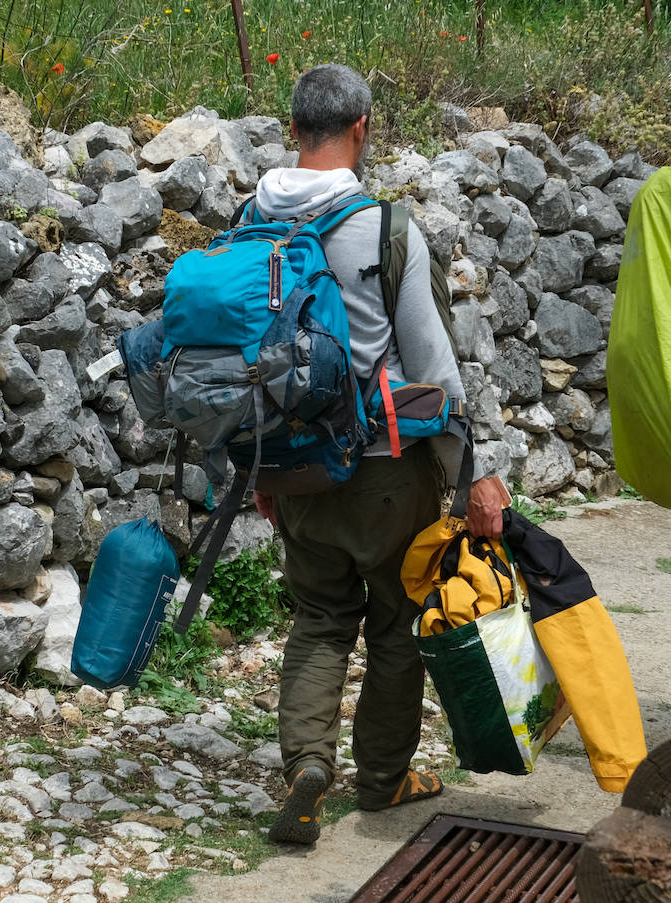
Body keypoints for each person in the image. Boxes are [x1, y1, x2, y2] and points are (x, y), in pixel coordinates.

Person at [248, 63, 507, 844]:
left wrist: (260, 470)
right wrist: (468, 470)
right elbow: (433, 368)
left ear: (294, 130)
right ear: (362, 128)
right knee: (395, 621)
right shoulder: (388, 230)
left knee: (321, 616)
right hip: (384, 469)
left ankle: (306, 767)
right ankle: (385, 776)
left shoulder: (248, 221)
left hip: (291, 464)